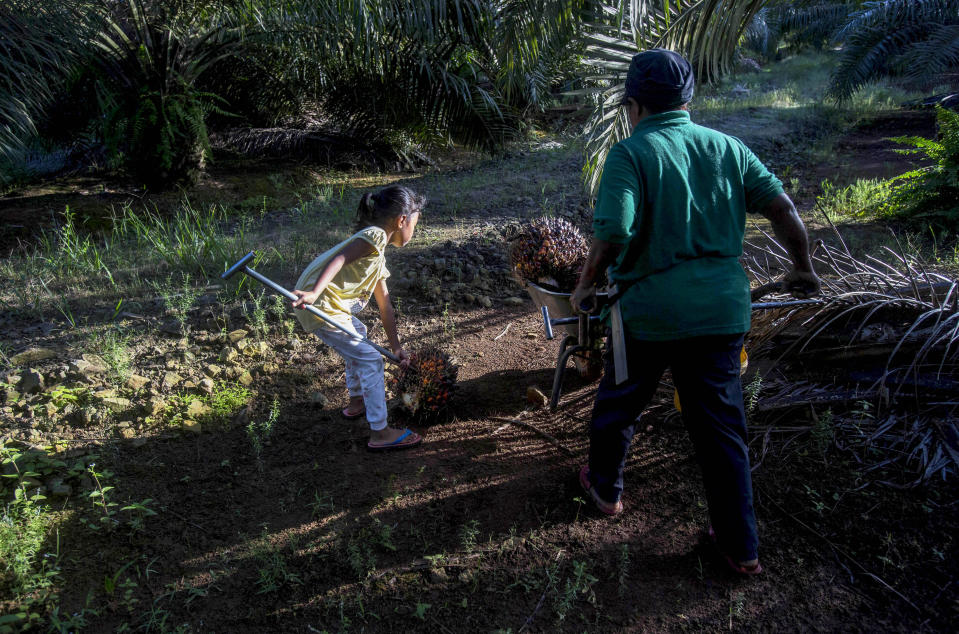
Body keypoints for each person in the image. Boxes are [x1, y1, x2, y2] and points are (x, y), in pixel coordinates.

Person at [570, 49, 820, 575]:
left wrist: (584, 287)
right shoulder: (727, 148)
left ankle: (606, 491)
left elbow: (614, 231)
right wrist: (802, 268)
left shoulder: (631, 153)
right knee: (722, 430)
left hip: (649, 314)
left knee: (619, 401)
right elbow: (782, 208)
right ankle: (739, 548)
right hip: (722, 314)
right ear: (689, 99)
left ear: (632, 105)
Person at [292, 185, 425, 451]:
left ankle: (357, 402)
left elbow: (385, 305)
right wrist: (314, 292)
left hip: (332, 305)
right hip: (320, 302)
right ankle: (380, 432)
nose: (414, 230)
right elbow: (340, 258)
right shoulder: (375, 236)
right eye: (415, 223)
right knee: (371, 357)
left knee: (359, 336)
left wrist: (397, 347)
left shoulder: (377, 253)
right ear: (401, 220)